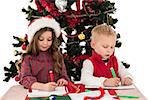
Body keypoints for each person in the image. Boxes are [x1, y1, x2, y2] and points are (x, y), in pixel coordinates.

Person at [19, 16, 69, 91]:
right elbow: (25, 78)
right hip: (36, 94)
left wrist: (62, 80)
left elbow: (64, 76)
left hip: (56, 93)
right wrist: (43, 87)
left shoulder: (57, 55)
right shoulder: (28, 58)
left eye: (49, 40)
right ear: (34, 39)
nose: (45, 43)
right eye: (41, 39)